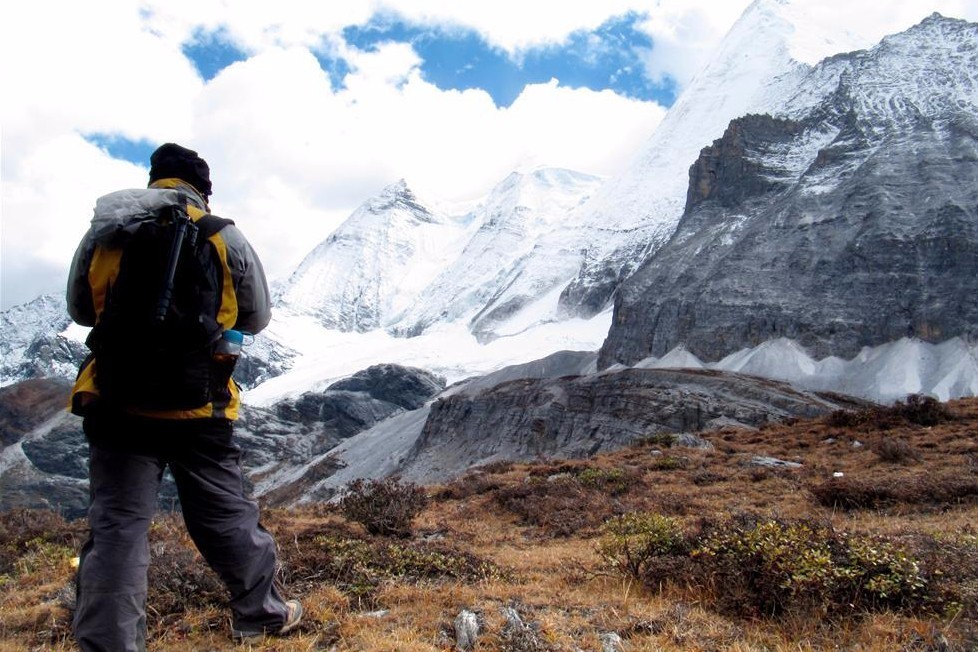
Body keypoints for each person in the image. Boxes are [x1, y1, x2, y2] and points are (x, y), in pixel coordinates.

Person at [66, 143, 301, 651]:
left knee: (118, 528)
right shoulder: (222, 235)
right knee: (224, 514)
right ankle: (260, 615)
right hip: (200, 404)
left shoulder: (107, 231)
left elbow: (81, 310)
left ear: (154, 180)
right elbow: (256, 317)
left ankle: (110, 644)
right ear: (203, 190)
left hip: (118, 403)